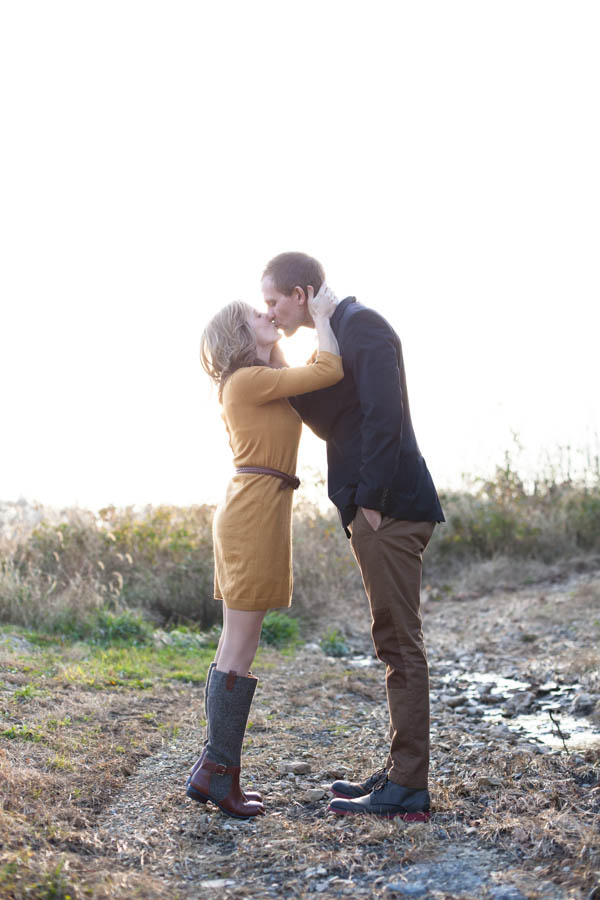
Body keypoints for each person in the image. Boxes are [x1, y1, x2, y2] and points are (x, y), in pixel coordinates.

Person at [262, 252, 445, 821]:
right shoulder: (335, 336)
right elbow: (330, 414)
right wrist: (273, 351)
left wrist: (370, 501)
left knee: (399, 642)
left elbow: (385, 417)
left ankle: (409, 788)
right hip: (375, 509)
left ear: (303, 291)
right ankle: (399, 771)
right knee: (390, 637)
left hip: (388, 509)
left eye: (274, 302)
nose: (270, 312)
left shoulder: (363, 326)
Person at [188, 287, 343, 819]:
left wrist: (283, 341)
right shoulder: (249, 381)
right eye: (257, 313)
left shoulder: (258, 380)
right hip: (253, 510)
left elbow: (308, 378)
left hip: (257, 505)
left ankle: (216, 769)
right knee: (240, 647)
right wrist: (321, 316)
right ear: (238, 333)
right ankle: (217, 771)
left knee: (235, 644)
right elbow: (326, 370)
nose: (267, 313)